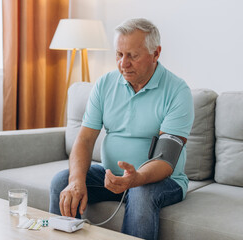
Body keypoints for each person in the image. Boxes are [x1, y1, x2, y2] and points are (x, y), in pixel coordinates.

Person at [49, 18, 194, 240]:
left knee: (141, 193)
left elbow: (166, 160)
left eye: (132, 56)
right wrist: (77, 180)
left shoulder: (177, 91)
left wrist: (136, 178)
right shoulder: (105, 84)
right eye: (119, 54)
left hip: (163, 181)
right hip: (110, 175)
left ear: (156, 54)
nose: (123, 64)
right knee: (63, 181)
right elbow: (85, 140)